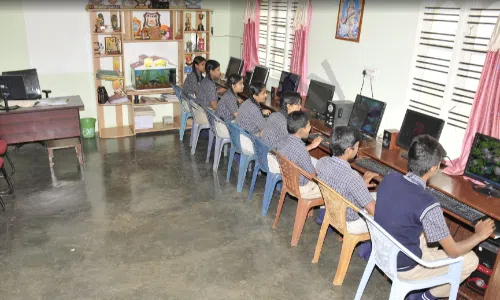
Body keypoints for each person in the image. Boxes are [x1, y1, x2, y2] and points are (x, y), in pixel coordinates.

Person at [375, 135, 495, 300]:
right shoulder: (428, 204)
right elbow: (453, 252)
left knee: (421, 230)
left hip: (383, 254)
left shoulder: (389, 178)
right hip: (406, 268)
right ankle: (425, 297)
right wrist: (479, 235)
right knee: (471, 260)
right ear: (434, 168)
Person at [316, 126, 378, 234]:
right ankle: (368, 248)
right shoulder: (352, 177)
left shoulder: (322, 162)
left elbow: (339, 183)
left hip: (332, 211)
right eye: (357, 146)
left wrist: (360, 185)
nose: (358, 149)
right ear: (349, 151)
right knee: (382, 201)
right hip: (350, 222)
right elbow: (374, 211)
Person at [276, 111, 323, 199]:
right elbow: (313, 176)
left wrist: (312, 146)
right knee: (328, 185)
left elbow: (295, 152)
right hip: (301, 187)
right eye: (308, 126)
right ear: (301, 129)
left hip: (287, 180)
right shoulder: (301, 150)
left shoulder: (284, 139)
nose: (310, 128)